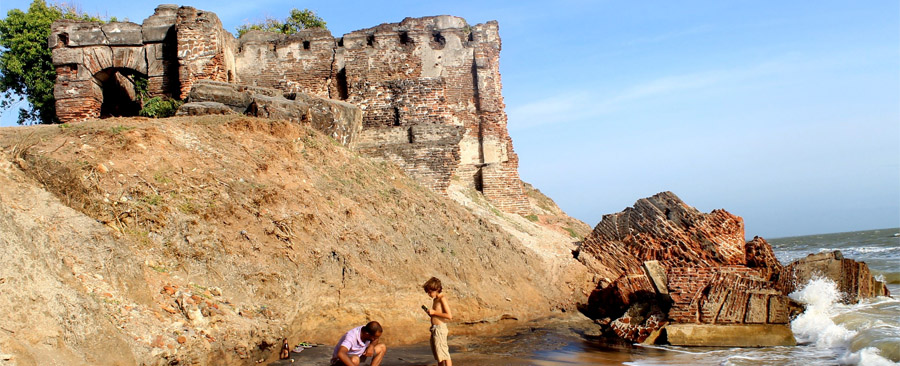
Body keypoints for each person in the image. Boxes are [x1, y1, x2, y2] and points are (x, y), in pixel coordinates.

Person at [423, 277, 452, 366]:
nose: (428, 294)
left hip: (440, 329)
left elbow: (449, 316)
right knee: (439, 355)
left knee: (444, 354)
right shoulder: (435, 299)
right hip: (435, 329)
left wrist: (434, 312)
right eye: (427, 292)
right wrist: (431, 313)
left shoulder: (442, 299)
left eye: (430, 292)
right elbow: (437, 314)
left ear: (437, 289)